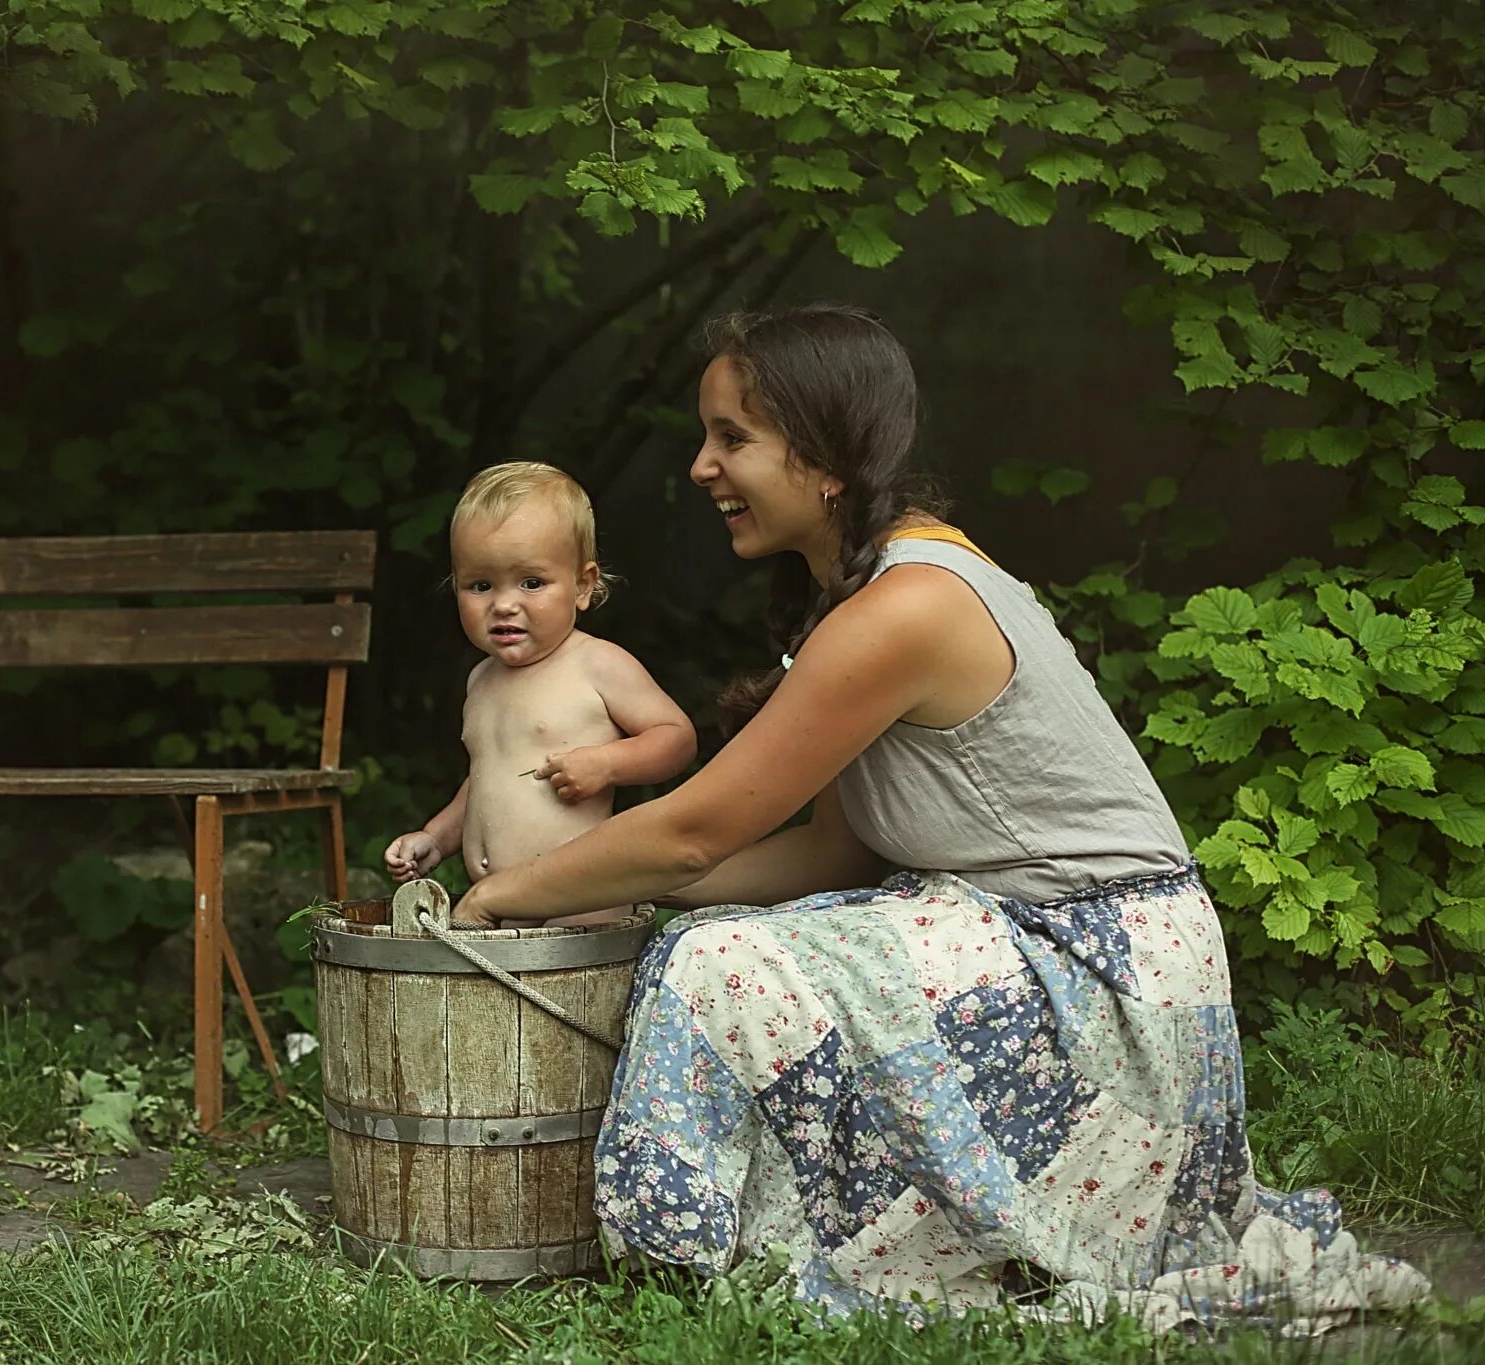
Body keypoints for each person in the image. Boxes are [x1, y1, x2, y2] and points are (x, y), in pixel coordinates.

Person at [452, 304, 1427, 1329]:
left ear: (824, 458)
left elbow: (696, 829)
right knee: (707, 933)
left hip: (1106, 972)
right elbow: (829, 853)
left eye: (732, 437)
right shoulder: (867, 593)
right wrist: (631, 891)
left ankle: (682, 1268)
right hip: (1021, 937)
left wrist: (504, 895)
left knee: (716, 964)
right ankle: (822, 1239)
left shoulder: (905, 606)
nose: (701, 466)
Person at [384, 461, 696, 927]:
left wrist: (608, 763)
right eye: (480, 586)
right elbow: (488, 780)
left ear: (583, 586)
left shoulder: (596, 664)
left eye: (531, 583)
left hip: (580, 905)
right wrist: (436, 836)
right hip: (499, 909)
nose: (504, 604)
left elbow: (677, 738)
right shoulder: (481, 679)